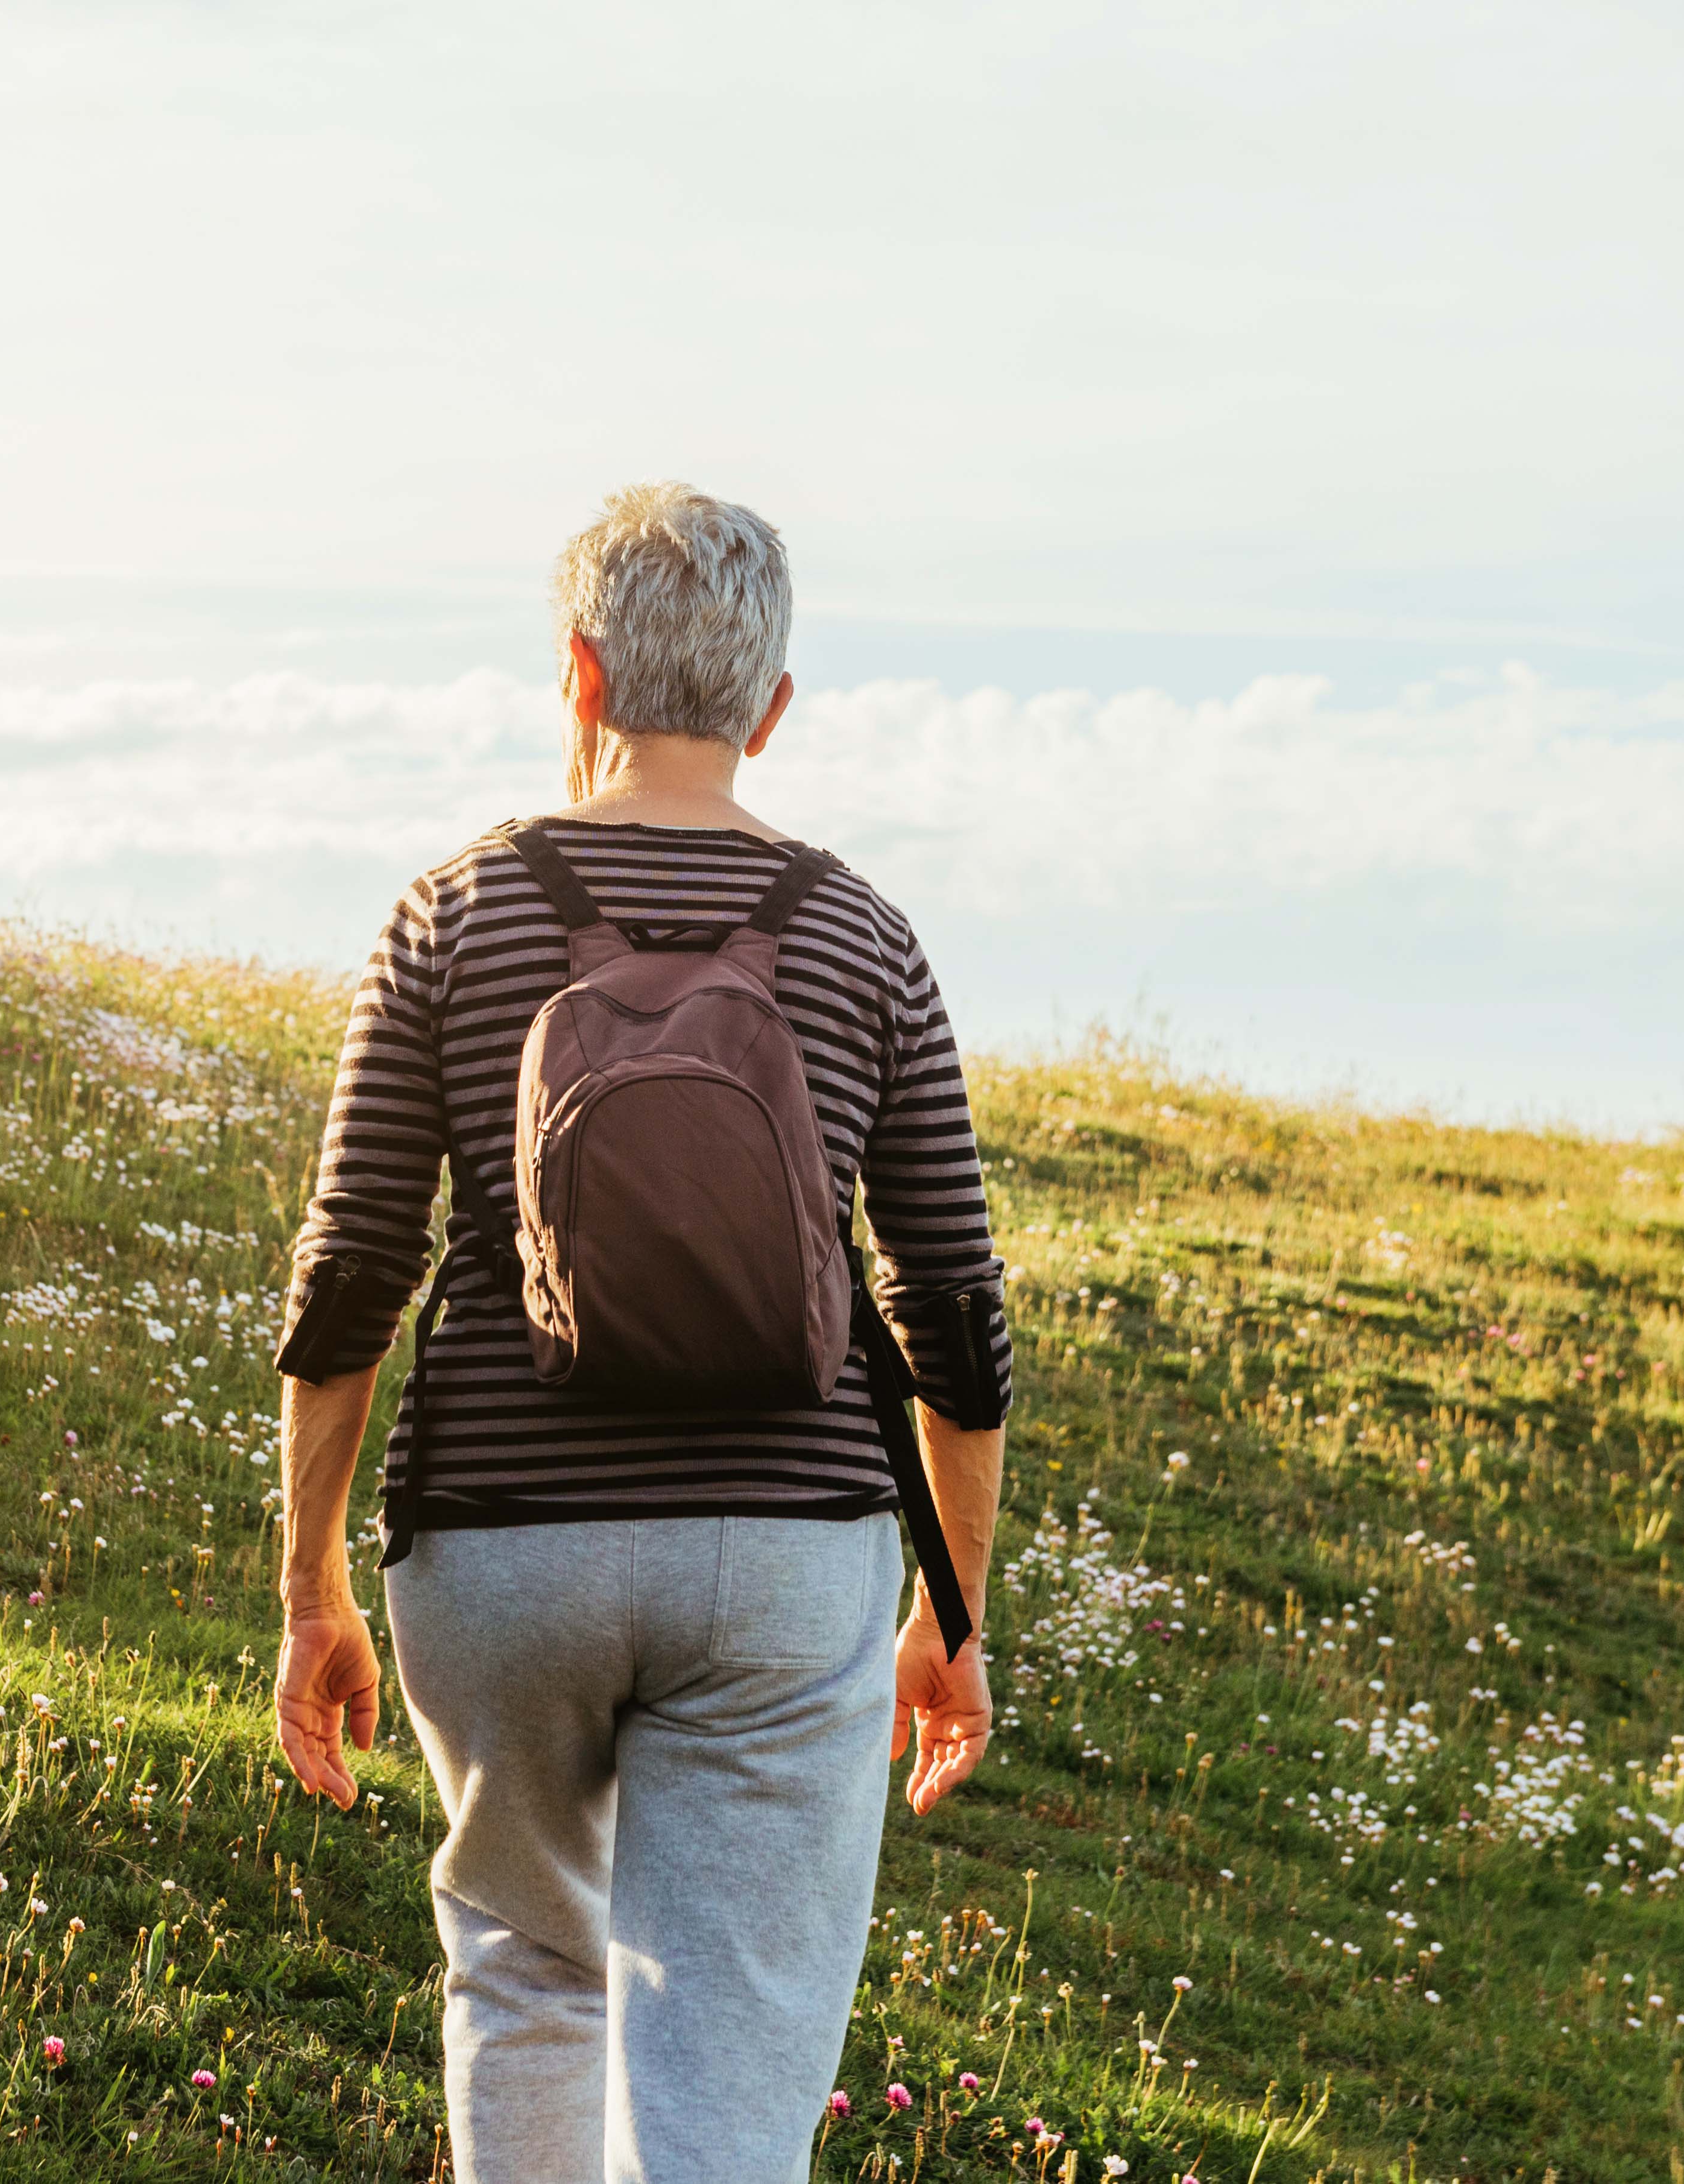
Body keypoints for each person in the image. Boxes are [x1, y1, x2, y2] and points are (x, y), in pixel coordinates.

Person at [268, 482, 1012, 2184]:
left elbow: (348, 1272)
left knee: (530, 1976)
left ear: (578, 678)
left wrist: (308, 1583)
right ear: (767, 709)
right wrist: (946, 1606)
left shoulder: (449, 914)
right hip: (782, 1554)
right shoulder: (863, 940)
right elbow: (949, 1308)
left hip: (496, 1549)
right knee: (724, 2065)